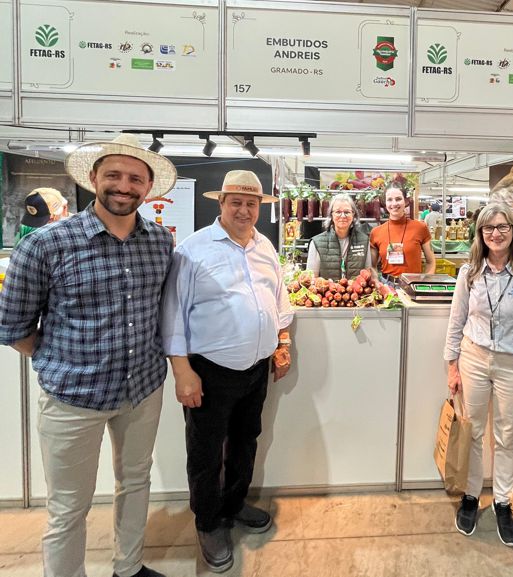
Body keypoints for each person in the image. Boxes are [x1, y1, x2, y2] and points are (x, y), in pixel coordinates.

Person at [0, 133, 177, 577]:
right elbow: (15, 328)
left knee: (135, 483)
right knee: (68, 507)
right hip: (72, 399)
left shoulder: (160, 242)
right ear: (94, 178)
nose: (124, 186)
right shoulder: (45, 244)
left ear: (148, 187)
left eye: (135, 178)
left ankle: (128, 568)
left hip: (142, 390)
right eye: (114, 175)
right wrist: (64, 362)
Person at [160, 170, 294, 573]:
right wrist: (182, 371)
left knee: (246, 440)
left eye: (251, 203)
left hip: (256, 368)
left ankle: (234, 504)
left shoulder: (265, 246)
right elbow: (172, 313)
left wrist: (282, 344)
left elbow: (278, 299)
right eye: (236, 202)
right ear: (221, 204)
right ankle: (208, 521)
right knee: (205, 451)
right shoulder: (193, 250)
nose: (244, 210)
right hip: (209, 371)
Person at [444, 202, 513, 548]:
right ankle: (471, 495)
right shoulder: (470, 272)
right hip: (474, 359)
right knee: (473, 431)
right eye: (488, 228)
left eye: (503, 226)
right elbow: (456, 321)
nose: (496, 233)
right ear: (480, 234)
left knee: (506, 436)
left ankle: (503, 502)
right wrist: (452, 365)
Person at [370, 186, 435, 283]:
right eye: (389, 200)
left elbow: (431, 262)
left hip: (413, 283)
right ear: (385, 203)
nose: (394, 203)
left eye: (398, 199)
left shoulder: (420, 228)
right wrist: (376, 282)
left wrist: (425, 283)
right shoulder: (376, 232)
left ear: (406, 201)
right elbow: (372, 266)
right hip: (386, 285)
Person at [306, 193, 371, 279]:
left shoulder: (364, 241)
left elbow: (368, 274)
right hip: (326, 288)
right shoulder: (316, 243)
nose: (343, 216)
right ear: (331, 215)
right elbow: (311, 279)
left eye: (347, 212)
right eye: (338, 212)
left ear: (353, 214)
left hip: (356, 288)